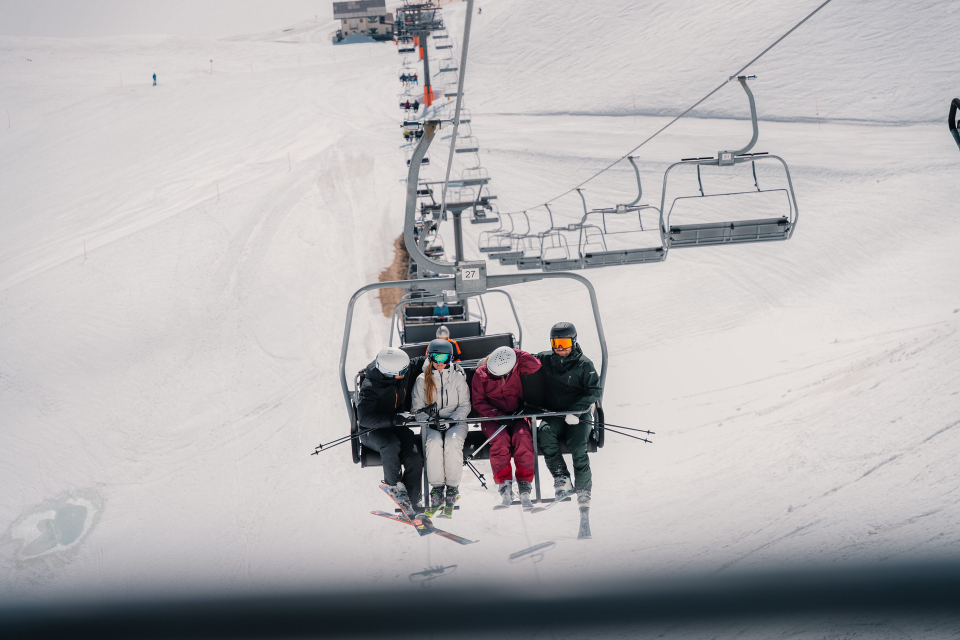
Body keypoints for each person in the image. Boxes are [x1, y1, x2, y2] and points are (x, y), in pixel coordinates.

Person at [535, 322, 602, 506]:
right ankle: (561, 477)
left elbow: (595, 391)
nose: (560, 348)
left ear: (573, 342)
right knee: (545, 432)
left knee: (578, 445)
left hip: (579, 416)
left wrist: (578, 410)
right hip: (555, 414)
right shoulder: (545, 359)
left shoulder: (584, 364)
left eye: (564, 343)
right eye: (556, 343)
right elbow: (525, 361)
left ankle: (583, 489)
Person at [356, 347, 427, 517]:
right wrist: (395, 419)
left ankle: (413, 500)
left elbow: (417, 362)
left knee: (415, 457)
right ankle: (395, 488)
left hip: (397, 425)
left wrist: (437, 356)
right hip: (371, 431)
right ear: (388, 372)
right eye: (403, 370)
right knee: (390, 444)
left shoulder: (402, 369)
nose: (406, 371)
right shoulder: (370, 387)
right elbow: (364, 418)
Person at [471, 346, 541, 507]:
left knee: (523, 436)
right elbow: (478, 402)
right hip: (492, 418)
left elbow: (535, 365)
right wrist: (497, 416)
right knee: (500, 439)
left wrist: (513, 353)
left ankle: (524, 483)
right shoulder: (480, 374)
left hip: (516, 414)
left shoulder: (515, 368)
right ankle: (504, 484)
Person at [411, 340, 471, 516]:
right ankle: (437, 488)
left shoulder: (457, 377)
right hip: (431, 424)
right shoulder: (422, 380)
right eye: (436, 357)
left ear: (450, 358)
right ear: (430, 357)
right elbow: (417, 409)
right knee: (434, 442)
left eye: (444, 357)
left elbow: (465, 405)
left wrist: (452, 420)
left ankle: (452, 488)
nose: (439, 361)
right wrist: (431, 421)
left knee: (452, 442)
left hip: (456, 423)